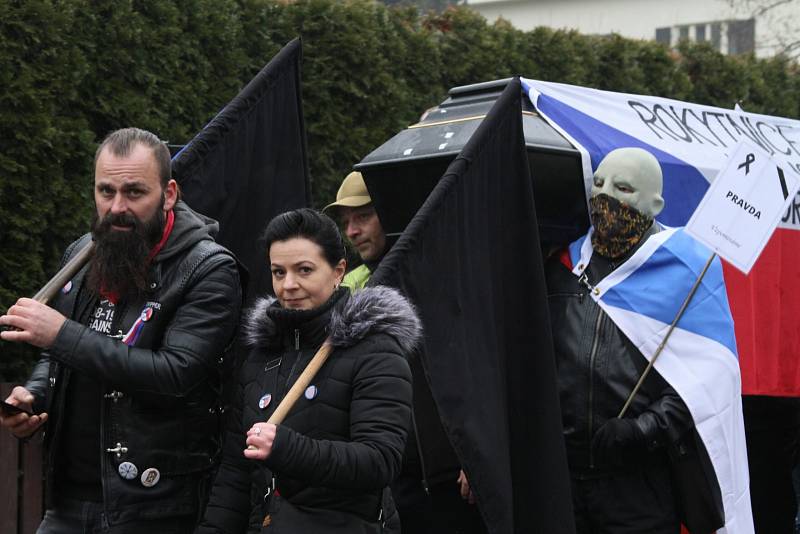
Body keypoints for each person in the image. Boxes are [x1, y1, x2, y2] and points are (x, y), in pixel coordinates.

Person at [0, 127, 243, 533]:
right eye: (105, 191)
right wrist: (35, 395)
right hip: (66, 499)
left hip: (152, 505)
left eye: (134, 192)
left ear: (168, 195)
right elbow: (55, 354)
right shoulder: (81, 253)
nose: (116, 207)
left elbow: (176, 374)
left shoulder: (208, 269)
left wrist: (61, 335)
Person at [197, 208, 419, 533]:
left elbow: (379, 460)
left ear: (338, 271)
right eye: (278, 272)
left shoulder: (375, 350)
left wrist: (286, 448)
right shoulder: (261, 356)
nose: (289, 285)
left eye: (304, 270)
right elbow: (235, 472)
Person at [324, 172, 484, 534]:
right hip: (391, 481)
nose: (351, 231)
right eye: (346, 221)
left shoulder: (440, 278)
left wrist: (476, 453)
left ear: (391, 214)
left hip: (450, 479)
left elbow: (472, 370)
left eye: (363, 216)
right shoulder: (351, 287)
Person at [546, 148, 696, 533]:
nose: (606, 196)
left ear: (655, 203)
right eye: (598, 183)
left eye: (623, 187)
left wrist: (644, 430)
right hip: (561, 477)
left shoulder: (682, 273)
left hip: (638, 485)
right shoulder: (560, 266)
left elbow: (703, 382)